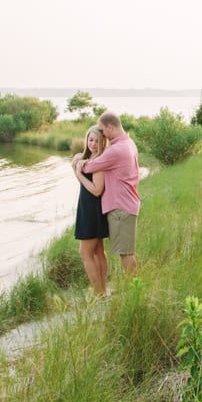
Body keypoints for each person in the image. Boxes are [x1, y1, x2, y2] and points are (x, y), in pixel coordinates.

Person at [75, 111, 140, 275]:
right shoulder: (129, 143)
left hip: (121, 207)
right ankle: (134, 289)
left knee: (126, 253)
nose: (102, 134)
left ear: (110, 127)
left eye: (103, 131)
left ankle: (136, 291)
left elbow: (89, 168)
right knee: (125, 251)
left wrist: (78, 163)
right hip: (127, 203)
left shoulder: (116, 150)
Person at [73, 125, 109, 296]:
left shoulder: (99, 162)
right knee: (97, 251)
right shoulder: (91, 159)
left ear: (104, 143)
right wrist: (77, 162)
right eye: (91, 139)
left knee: (85, 253)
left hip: (92, 210)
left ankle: (99, 293)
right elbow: (81, 175)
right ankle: (102, 291)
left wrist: (79, 174)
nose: (93, 144)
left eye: (98, 141)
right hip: (91, 208)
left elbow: (96, 190)